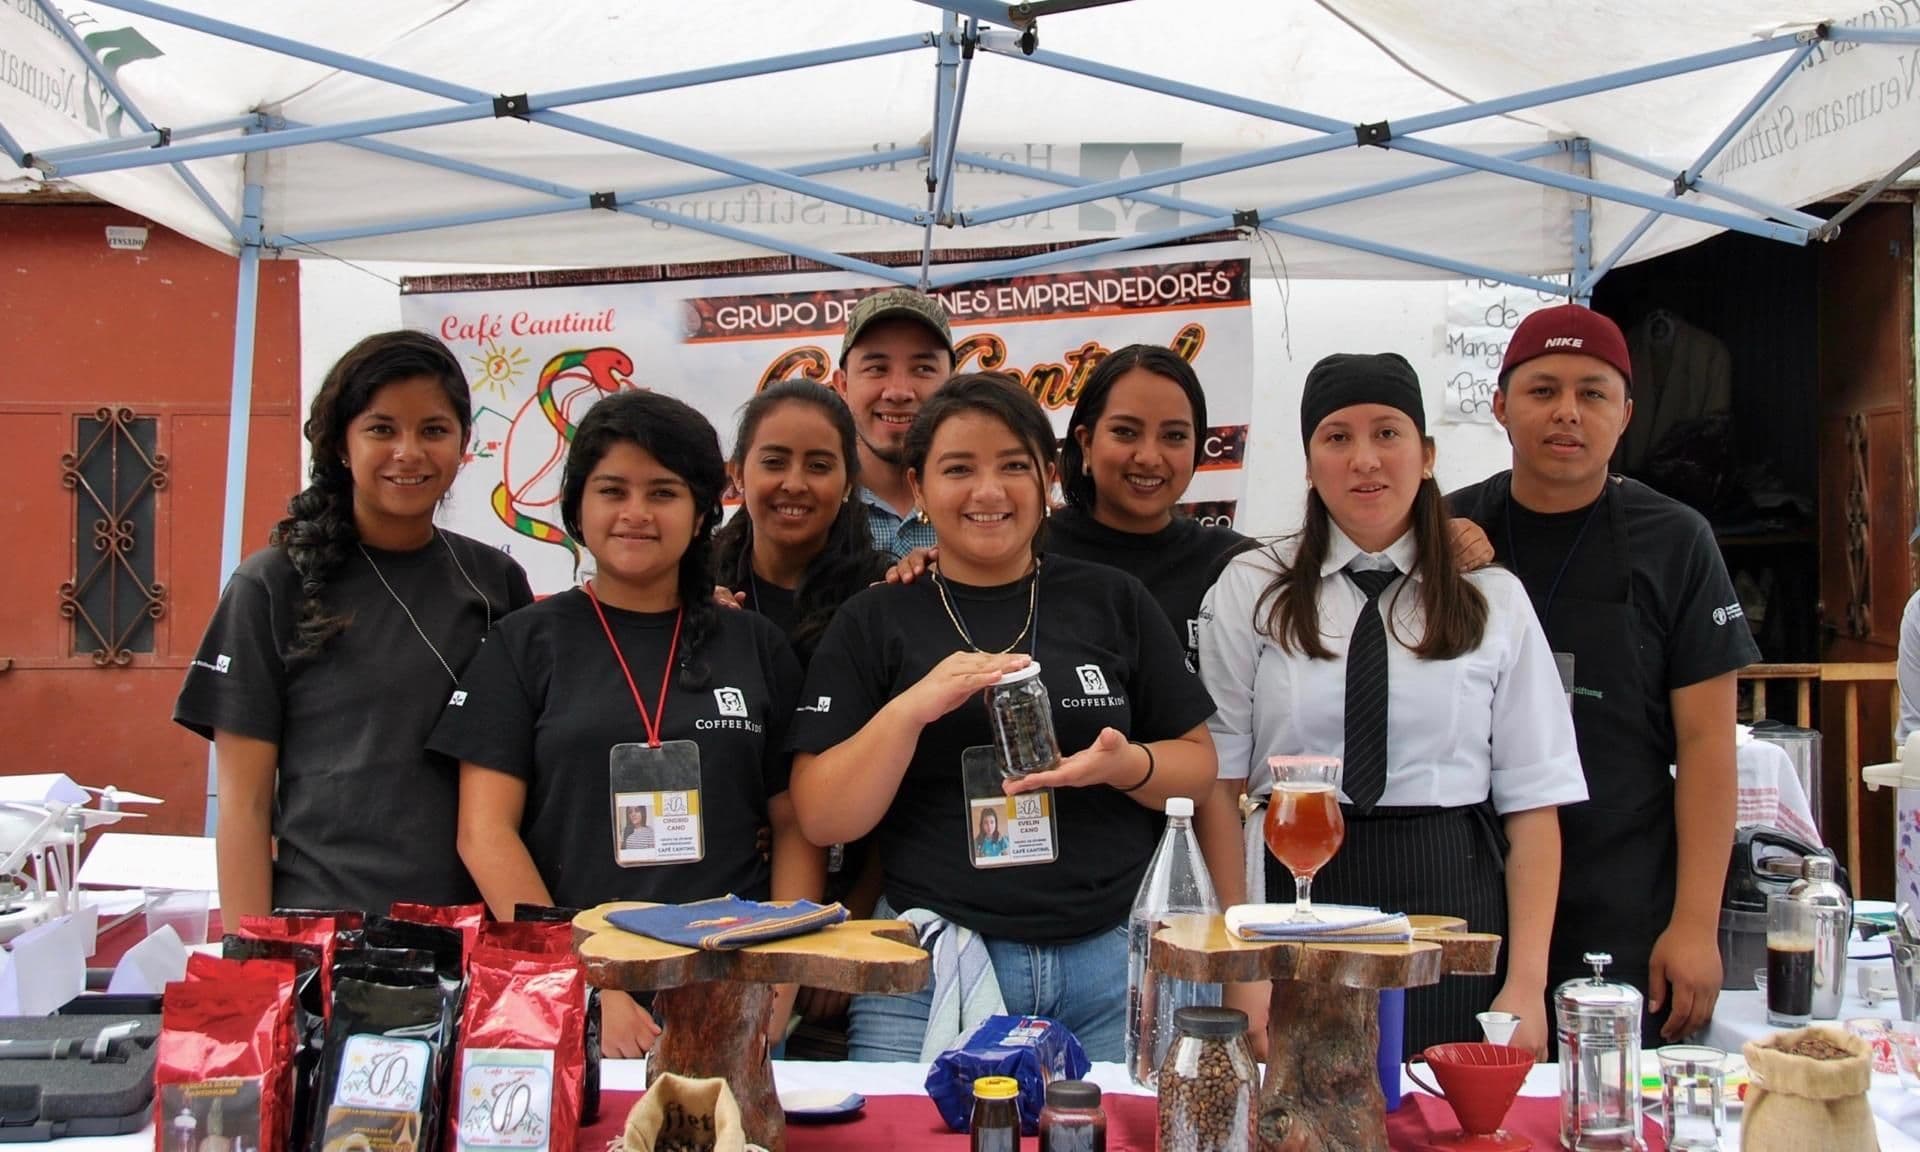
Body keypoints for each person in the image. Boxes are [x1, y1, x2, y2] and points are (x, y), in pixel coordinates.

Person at [788, 373, 1219, 1062]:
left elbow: (1198, 767)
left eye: (1014, 467)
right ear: (919, 488)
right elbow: (823, 817)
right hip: (930, 963)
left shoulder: (1113, 600)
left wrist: (1125, 766)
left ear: (1048, 479)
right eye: (958, 469)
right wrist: (909, 712)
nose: (988, 492)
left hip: (1111, 964)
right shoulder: (876, 618)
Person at [1199, 352, 1585, 1056]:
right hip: (1294, 881)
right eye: (1337, 437)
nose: (1365, 460)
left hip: (1450, 885)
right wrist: (1242, 965)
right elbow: (1220, 788)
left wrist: (1527, 984)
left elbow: (1534, 804)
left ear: (1427, 454)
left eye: (1388, 433)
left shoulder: (1491, 598)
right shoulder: (1252, 586)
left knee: (1438, 1119)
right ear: (1310, 461)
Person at [428, 389, 817, 1059]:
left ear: (701, 512)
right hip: (579, 1005)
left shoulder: (753, 645)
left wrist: (781, 982)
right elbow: (483, 833)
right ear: (578, 506)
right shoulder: (524, 644)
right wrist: (587, 984)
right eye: (613, 490)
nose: (635, 514)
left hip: (733, 995)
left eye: (663, 493)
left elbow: (795, 822)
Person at [1448, 305, 1758, 1046]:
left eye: (1592, 393)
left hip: (1626, 895)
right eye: (1542, 390)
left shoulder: (1678, 541)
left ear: (1625, 413)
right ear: (1500, 405)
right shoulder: (1448, 529)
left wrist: (1693, 925)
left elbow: (1710, 745)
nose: (1567, 412)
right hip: (1471, 892)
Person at [174, 330, 532, 918]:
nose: (409, 452)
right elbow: (244, 808)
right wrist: (253, 961)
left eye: (434, 430)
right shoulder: (270, 586)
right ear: (341, 445)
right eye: (381, 429)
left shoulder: (496, 581)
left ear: (465, 444)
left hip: (476, 933)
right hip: (329, 936)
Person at [712, 379, 892, 663]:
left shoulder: (883, 592)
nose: (794, 485)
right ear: (737, 472)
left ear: (848, 483)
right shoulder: (695, 586)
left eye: (818, 466)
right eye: (774, 462)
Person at [833, 288, 956, 558]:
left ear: (952, 383)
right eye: (877, 368)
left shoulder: (986, 511)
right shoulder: (816, 507)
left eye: (923, 369)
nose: (899, 392)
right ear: (842, 385)